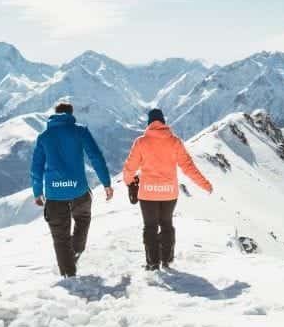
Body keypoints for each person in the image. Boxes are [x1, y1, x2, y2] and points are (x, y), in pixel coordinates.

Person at [123, 108, 213, 271]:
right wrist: (205, 184)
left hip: (148, 194)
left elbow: (130, 167)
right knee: (166, 224)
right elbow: (188, 167)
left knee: (150, 226)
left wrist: (129, 182)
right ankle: (167, 259)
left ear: (149, 123)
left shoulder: (141, 142)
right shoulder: (175, 142)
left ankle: (152, 263)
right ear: (163, 122)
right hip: (169, 193)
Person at [31, 101, 113, 277]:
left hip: (54, 194)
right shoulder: (80, 131)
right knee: (83, 219)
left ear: (55, 114)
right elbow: (96, 157)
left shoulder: (44, 137)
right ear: (71, 114)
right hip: (79, 191)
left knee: (60, 238)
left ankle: (68, 275)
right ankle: (76, 250)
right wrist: (106, 183)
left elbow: (36, 167)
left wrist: (37, 192)